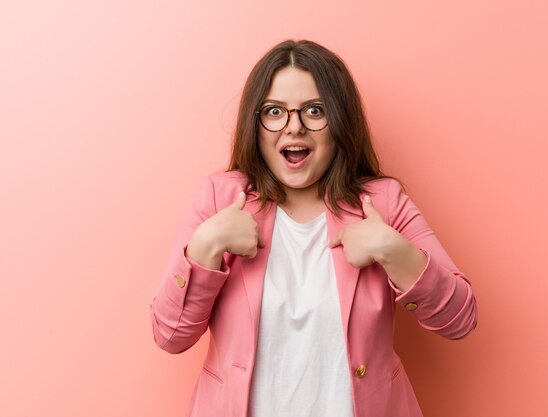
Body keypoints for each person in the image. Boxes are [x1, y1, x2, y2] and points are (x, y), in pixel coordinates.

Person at [150, 39, 477, 417]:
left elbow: (460, 319)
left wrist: (395, 251)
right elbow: (169, 336)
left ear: (340, 121)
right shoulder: (219, 198)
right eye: (274, 111)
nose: (294, 127)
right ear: (254, 124)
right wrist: (205, 245)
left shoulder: (383, 202)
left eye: (314, 110)